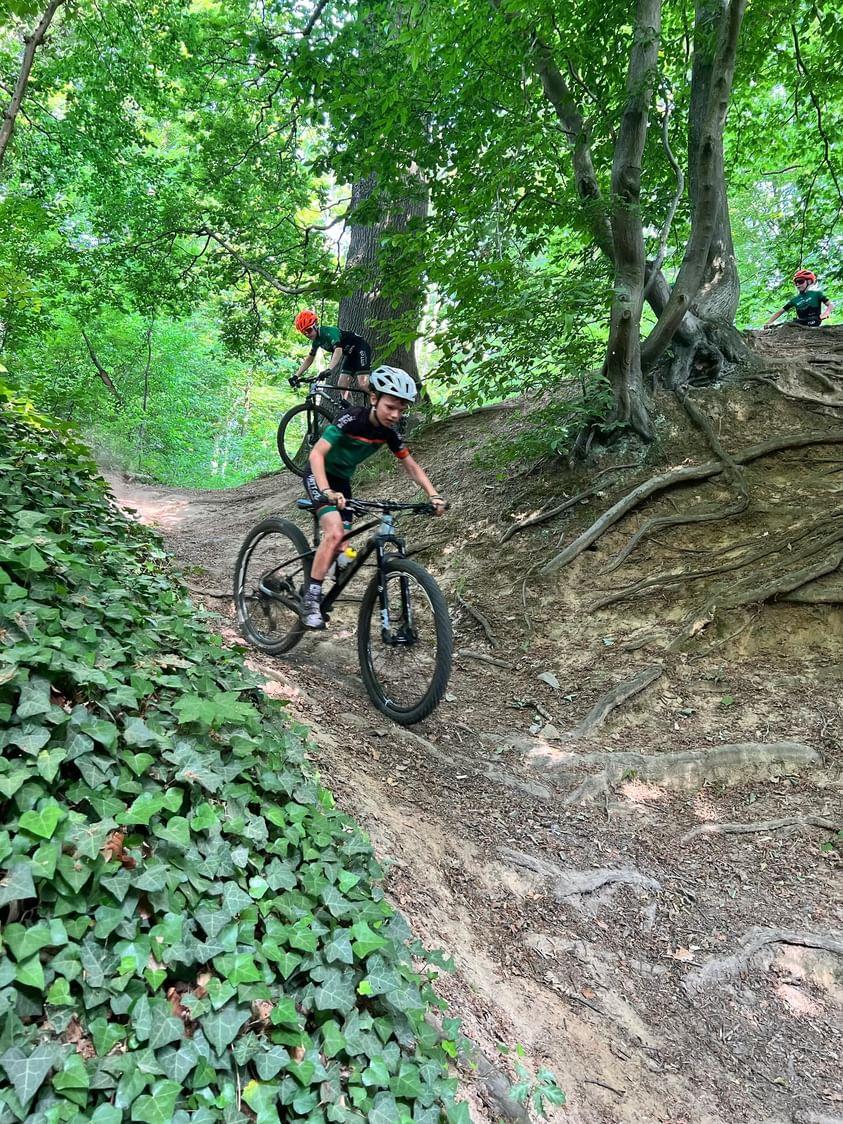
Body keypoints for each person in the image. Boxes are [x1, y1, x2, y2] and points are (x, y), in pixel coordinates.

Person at [301, 365, 446, 629]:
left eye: (401, 410)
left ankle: (328, 563)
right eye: (390, 406)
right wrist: (326, 491)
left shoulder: (389, 433)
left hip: (342, 482)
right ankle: (311, 597)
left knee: (347, 551)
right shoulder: (351, 418)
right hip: (319, 475)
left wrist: (433, 495)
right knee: (334, 533)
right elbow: (316, 455)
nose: (395, 414)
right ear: (373, 399)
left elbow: (411, 466)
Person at [292, 310, 372, 392]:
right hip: (351, 355)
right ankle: (350, 405)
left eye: (308, 330)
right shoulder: (316, 341)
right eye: (304, 333)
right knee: (342, 385)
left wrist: (329, 369)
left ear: (315, 325)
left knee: (363, 384)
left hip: (361, 348)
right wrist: (296, 376)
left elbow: (338, 350)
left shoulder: (328, 332)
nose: (307, 334)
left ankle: (380, 402)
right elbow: (310, 359)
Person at [764, 270, 833, 328]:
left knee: (811, 322)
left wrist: (826, 313)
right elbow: (780, 311)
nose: (797, 284)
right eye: (796, 283)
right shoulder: (795, 299)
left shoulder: (817, 294)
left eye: (800, 281)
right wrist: (768, 322)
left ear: (809, 281)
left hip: (814, 319)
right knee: (787, 325)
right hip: (800, 322)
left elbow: (830, 304)